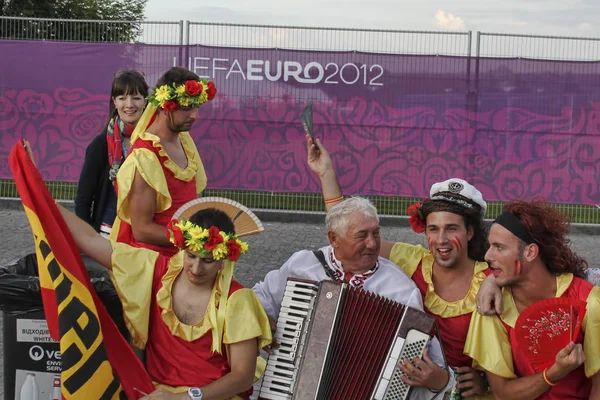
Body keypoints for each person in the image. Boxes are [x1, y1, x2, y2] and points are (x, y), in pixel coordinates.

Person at [305, 135, 492, 398]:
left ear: (470, 232)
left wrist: (487, 380)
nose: (441, 240)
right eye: (433, 229)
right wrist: (326, 174)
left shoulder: (492, 280)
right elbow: (350, 231)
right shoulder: (412, 259)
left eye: (452, 229)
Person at [56, 198, 271, 400]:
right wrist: (42, 196)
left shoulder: (237, 299)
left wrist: (185, 398)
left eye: (207, 261)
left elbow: (242, 376)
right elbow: (90, 239)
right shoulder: (156, 270)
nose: (196, 268)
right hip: (155, 393)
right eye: (191, 256)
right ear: (182, 248)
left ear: (224, 259)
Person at [253, 197, 455, 398]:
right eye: (362, 235)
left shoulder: (400, 289)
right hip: (289, 387)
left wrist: (439, 379)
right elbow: (259, 297)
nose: (372, 243)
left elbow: (427, 363)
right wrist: (262, 319)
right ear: (334, 239)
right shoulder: (303, 265)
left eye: (376, 233)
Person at [464, 200, 600, 399]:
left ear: (530, 252)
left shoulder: (589, 301)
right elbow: (502, 393)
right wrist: (554, 373)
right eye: (489, 246)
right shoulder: (492, 305)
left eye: (499, 247)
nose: (487, 255)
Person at [111, 66, 217, 256]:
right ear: (164, 106)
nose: (194, 115)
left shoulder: (183, 139)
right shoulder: (146, 155)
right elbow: (142, 230)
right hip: (156, 264)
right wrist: (194, 239)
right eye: (185, 108)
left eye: (196, 107)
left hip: (186, 257)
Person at [75, 70, 149, 238]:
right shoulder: (100, 145)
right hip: (108, 234)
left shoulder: (157, 142)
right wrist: (89, 240)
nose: (129, 104)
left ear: (145, 101)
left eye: (136, 98)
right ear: (114, 102)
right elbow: (83, 200)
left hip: (146, 235)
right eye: (122, 98)